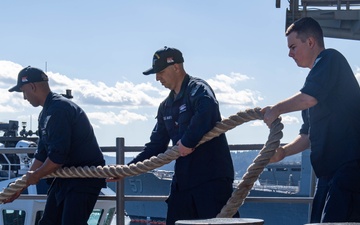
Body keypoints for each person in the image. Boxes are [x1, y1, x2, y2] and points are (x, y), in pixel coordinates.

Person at [261, 17, 360, 223]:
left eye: (293, 47)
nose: (290, 54)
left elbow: (308, 97)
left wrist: (277, 109)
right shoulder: (313, 86)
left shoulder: (330, 59)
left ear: (311, 42)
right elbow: (307, 136)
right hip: (326, 176)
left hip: (349, 169)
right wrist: (283, 152)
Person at [128, 46, 237, 224]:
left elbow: (207, 108)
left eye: (160, 72)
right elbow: (156, 145)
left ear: (176, 67)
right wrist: (128, 169)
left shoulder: (198, 89)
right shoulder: (166, 106)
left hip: (211, 180)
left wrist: (188, 142)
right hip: (184, 182)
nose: (157, 78)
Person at [6, 66, 106, 225]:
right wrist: (22, 184)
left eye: (24, 92)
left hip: (83, 179)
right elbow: (42, 154)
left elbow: (57, 157)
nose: (24, 98)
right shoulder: (46, 113)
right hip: (63, 178)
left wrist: (35, 176)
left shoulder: (59, 109)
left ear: (32, 87)